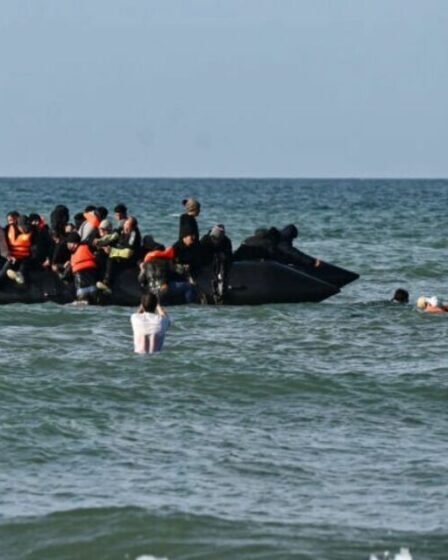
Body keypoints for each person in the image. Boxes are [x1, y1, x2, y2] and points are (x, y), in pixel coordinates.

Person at [96, 216, 141, 294]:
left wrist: (112, 251)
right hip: (118, 252)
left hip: (130, 259)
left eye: (128, 228)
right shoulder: (121, 229)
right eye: (125, 226)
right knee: (100, 254)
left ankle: (107, 283)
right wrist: (99, 241)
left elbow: (128, 253)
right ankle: (98, 278)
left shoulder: (134, 235)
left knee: (111, 259)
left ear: (133, 228)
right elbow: (111, 237)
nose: (125, 229)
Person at [200, 224, 233, 303]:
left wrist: (223, 256)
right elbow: (201, 253)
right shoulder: (205, 240)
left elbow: (229, 255)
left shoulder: (226, 241)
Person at [65, 232, 98, 303]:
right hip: (93, 289)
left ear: (73, 244)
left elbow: (66, 276)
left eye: (68, 244)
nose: (68, 246)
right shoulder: (87, 247)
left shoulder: (73, 256)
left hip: (81, 291)